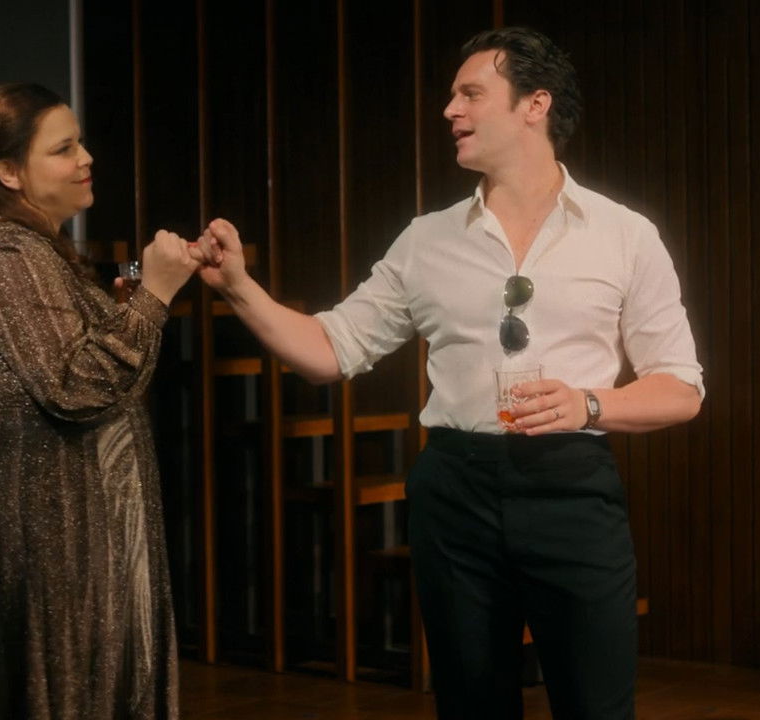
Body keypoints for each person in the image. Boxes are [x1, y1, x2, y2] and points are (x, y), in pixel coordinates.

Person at [195, 27, 703, 720]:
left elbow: (680, 387)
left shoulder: (625, 234)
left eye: (471, 94)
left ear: (535, 105)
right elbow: (330, 350)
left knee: (596, 706)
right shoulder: (426, 239)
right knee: (470, 705)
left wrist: (588, 404)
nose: (449, 110)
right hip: (455, 491)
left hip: (572, 490)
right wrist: (238, 287)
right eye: (452, 96)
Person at [0, 83, 199, 719]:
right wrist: (155, 294)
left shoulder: (39, 251)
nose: (86, 158)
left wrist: (130, 308)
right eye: (63, 148)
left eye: (80, 142)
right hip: (34, 535)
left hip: (62, 530)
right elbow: (76, 386)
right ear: (9, 171)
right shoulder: (8, 250)